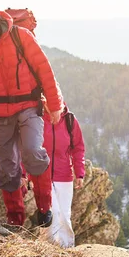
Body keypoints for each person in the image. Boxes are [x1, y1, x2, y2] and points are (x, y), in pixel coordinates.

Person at [0, 0, 63, 227]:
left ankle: (44, 209)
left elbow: (45, 71)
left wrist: (54, 105)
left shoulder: (21, 37)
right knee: (8, 167)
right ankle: (15, 221)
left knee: (33, 151)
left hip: (29, 106)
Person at [40, 102, 85, 248]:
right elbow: (27, 147)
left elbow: (78, 148)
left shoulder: (69, 120)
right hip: (42, 174)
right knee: (53, 212)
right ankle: (49, 248)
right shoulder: (37, 119)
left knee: (65, 216)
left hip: (64, 175)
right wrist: (25, 173)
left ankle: (67, 249)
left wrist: (79, 173)